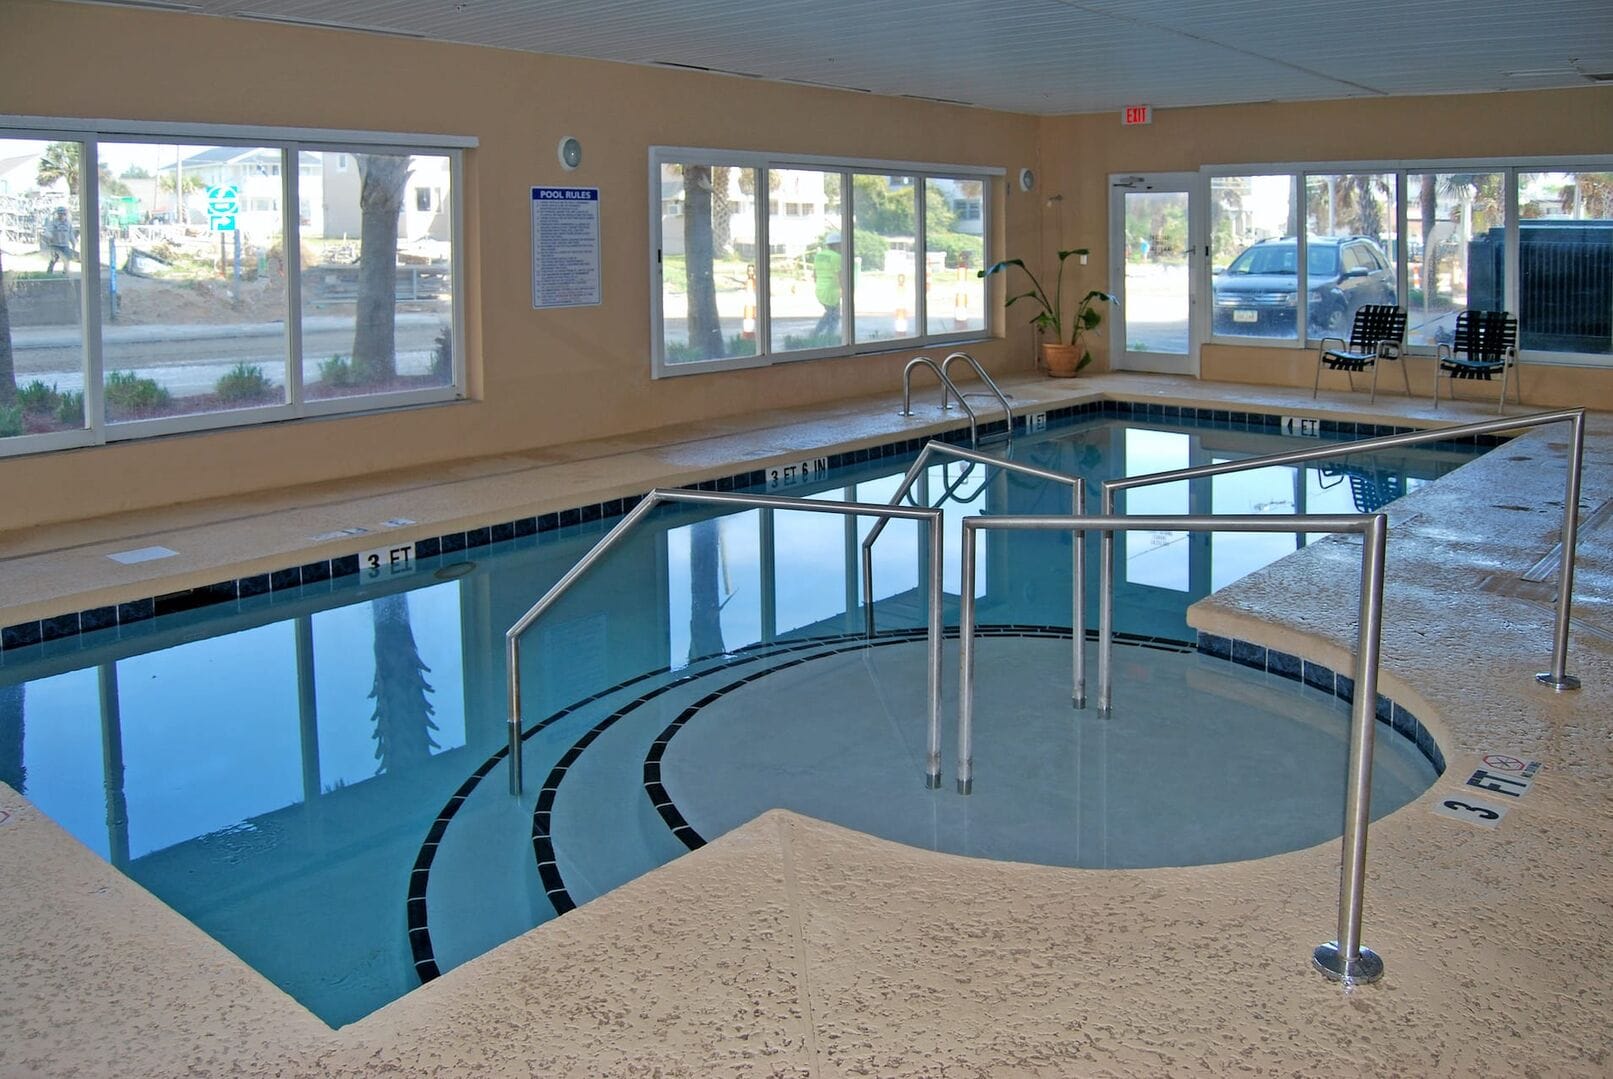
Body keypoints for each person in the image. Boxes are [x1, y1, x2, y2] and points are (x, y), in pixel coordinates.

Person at [812, 232, 842, 339]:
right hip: (831, 291)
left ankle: (819, 334)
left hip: (820, 289)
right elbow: (840, 276)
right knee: (834, 315)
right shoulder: (837, 257)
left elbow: (814, 275)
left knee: (830, 313)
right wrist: (845, 290)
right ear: (837, 245)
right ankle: (828, 336)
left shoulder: (818, 256)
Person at [43, 207, 75, 274]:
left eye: (63, 214)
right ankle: (49, 271)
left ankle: (65, 272)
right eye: (60, 214)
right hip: (55, 244)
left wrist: (73, 243)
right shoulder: (53, 223)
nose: (61, 215)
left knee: (66, 258)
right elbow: (48, 231)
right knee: (54, 259)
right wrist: (49, 237)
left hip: (65, 244)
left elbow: (70, 234)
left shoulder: (68, 224)